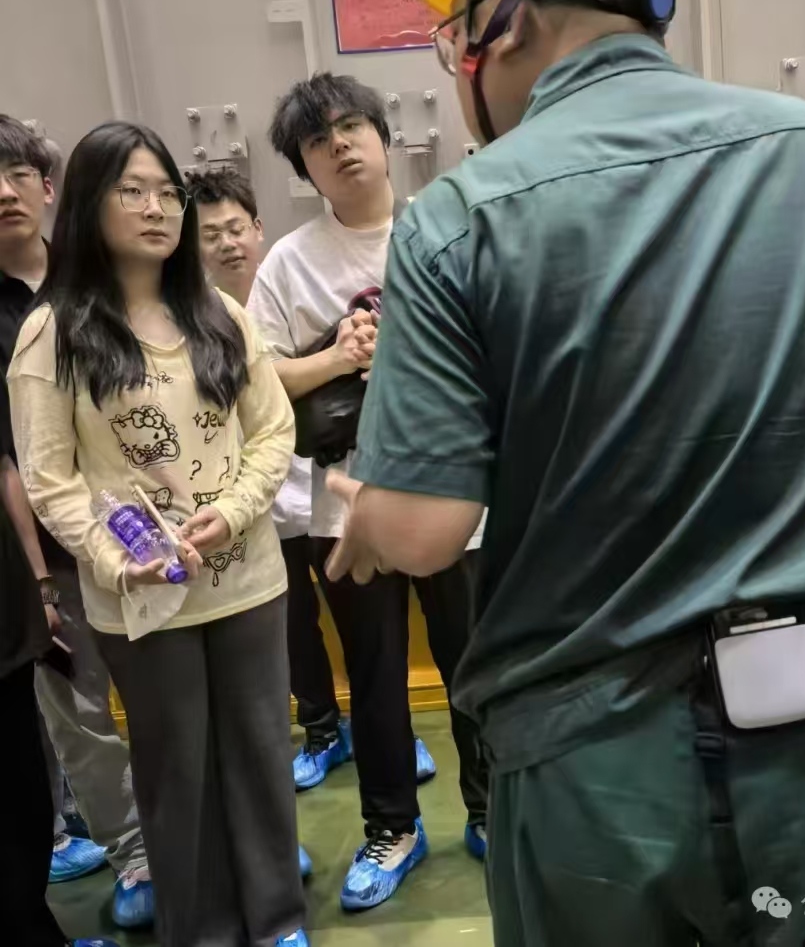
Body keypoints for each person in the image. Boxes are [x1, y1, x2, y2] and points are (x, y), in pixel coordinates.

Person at [323, 0, 805, 944]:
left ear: (506, 4)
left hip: (596, 773)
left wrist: (364, 507)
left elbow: (425, 531)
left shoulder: (462, 215)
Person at [7, 122, 308, 947]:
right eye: (132, 191)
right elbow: (49, 476)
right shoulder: (53, 331)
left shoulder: (220, 313)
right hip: (143, 601)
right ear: (87, 203)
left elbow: (272, 430)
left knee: (261, 756)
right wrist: (117, 558)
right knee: (178, 775)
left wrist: (234, 510)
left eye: (168, 192)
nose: (157, 209)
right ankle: (203, 930)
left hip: (247, 580)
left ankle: (278, 921)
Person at [248, 73, 489, 911]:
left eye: (352, 126)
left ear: (386, 138)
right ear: (304, 167)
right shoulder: (288, 261)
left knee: (472, 664)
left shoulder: (447, 227)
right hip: (344, 502)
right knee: (377, 677)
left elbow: (499, 348)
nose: (340, 145)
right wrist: (338, 355)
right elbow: (258, 381)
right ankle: (393, 826)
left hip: (455, 491)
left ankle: (491, 808)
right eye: (318, 140)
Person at [0, 117, 153, 929]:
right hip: (48, 558)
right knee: (79, 718)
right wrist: (37, 581)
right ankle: (135, 855)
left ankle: (208, 839)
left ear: (48, 185)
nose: (4, 192)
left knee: (173, 703)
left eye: (17, 173)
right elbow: (7, 461)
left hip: (152, 541)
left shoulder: (106, 276)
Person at [188, 165, 352, 798]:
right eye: (210, 235)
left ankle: (376, 727)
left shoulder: (292, 283)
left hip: (324, 481)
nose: (227, 243)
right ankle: (322, 731)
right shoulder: (196, 318)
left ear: (258, 228)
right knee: (292, 626)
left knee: (361, 619)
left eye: (236, 228)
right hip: (258, 501)